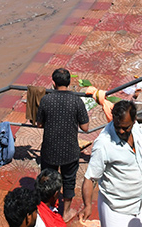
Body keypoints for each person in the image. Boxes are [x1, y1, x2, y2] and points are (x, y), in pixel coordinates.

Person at [81, 100, 142, 227]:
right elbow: (90, 178)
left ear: (134, 120)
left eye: (125, 128)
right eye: (117, 127)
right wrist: (87, 206)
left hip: (138, 206)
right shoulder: (103, 144)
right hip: (116, 210)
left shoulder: (135, 129)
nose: (121, 131)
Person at [34, 68, 89, 216]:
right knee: (69, 180)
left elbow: (39, 124)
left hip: (49, 150)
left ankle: (47, 211)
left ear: (53, 83)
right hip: (70, 150)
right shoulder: (76, 101)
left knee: (48, 181)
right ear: (69, 82)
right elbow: (85, 127)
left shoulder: (46, 100)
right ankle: (65, 212)